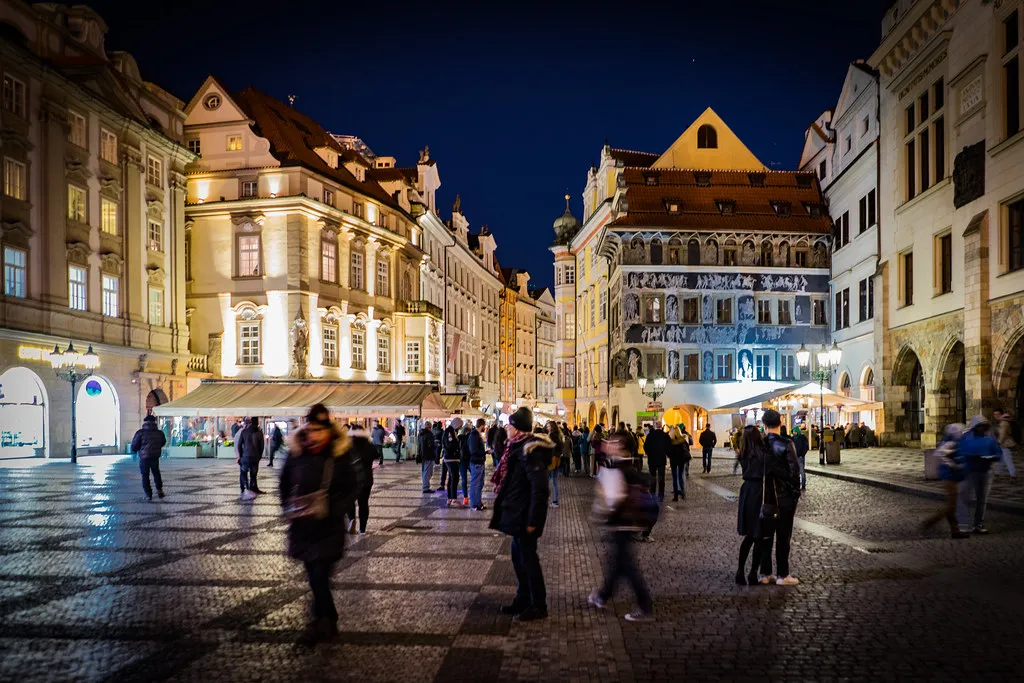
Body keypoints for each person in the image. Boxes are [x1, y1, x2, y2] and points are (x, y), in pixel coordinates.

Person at [280, 405, 362, 646]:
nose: (315, 434)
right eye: (312, 429)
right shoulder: (297, 452)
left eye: (320, 430)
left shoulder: (340, 453)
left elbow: (353, 486)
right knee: (314, 576)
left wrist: (336, 509)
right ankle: (328, 619)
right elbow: (284, 483)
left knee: (319, 574)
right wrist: (287, 506)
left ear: (329, 430)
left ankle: (320, 622)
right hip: (303, 525)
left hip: (329, 527)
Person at [491, 407, 552, 621]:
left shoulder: (529, 451)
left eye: (510, 426)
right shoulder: (516, 448)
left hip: (526, 516)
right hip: (518, 513)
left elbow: (540, 488)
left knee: (528, 560)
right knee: (519, 558)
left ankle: (538, 604)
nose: (507, 429)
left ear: (517, 429)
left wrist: (534, 521)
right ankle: (523, 598)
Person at [588, 432, 654, 622]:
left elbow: (613, 497)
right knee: (618, 564)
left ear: (621, 446)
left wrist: (602, 512)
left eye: (612, 441)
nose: (607, 444)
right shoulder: (622, 464)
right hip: (622, 523)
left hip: (621, 522)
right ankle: (602, 595)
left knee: (627, 566)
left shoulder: (617, 466)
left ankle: (645, 606)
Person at [759, 409, 802, 586]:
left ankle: (765, 573)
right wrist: (795, 494)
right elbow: (794, 472)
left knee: (766, 537)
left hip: (764, 498)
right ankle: (782, 575)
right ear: (781, 423)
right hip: (783, 498)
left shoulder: (760, 444)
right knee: (783, 538)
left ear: (764, 425)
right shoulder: (786, 444)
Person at [736, 425, 771, 585]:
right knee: (759, 535)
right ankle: (752, 572)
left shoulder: (743, 454)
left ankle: (740, 571)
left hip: (747, 491)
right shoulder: (763, 453)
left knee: (750, 535)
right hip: (759, 491)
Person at [955, 415, 1002, 535]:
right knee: (965, 498)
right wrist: (969, 457)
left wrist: (991, 458)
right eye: (980, 426)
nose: (982, 428)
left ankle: (978, 524)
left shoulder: (990, 439)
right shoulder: (966, 438)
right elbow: (960, 451)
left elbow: (998, 453)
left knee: (982, 500)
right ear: (975, 427)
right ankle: (964, 524)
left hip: (986, 472)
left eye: (984, 426)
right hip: (970, 471)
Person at [921, 423, 969, 539]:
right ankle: (930, 522)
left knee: (952, 505)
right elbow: (942, 455)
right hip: (950, 477)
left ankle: (955, 531)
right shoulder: (950, 443)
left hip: (952, 476)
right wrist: (954, 465)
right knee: (951, 506)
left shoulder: (952, 442)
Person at [343, 423, 376, 535]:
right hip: (367, 479)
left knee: (349, 501)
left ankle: (352, 519)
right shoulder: (369, 444)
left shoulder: (348, 445)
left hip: (351, 479)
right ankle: (362, 529)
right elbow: (377, 455)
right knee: (363, 503)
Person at [131, 415, 166, 501]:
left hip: (144, 457)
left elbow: (135, 444)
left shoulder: (140, 432)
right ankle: (159, 489)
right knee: (156, 473)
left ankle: (148, 494)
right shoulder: (159, 433)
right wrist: (157, 448)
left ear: (145, 422)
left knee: (145, 475)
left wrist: (134, 451)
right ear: (154, 422)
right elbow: (163, 442)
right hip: (155, 456)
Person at [235, 416, 265, 500]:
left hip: (245, 456)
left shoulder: (244, 431)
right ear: (257, 423)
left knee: (244, 472)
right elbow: (262, 446)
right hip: (255, 457)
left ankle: (246, 488)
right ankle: (253, 488)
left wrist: (240, 456)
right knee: (253, 474)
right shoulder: (259, 432)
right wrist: (259, 456)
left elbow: (239, 444)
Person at [645, 422, 670, 502]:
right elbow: (668, 446)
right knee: (661, 478)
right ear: (661, 426)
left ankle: (652, 493)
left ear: (655, 427)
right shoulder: (665, 435)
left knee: (653, 476)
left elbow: (646, 446)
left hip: (652, 460)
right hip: (661, 459)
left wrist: (649, 453)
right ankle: (661, 494)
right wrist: (666, 454)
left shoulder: (650, 435)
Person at [442, 418, 464, 505]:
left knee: (452, 478)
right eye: (459, 426)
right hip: (451, 458)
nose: (459, 428)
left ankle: (450, 498)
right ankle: (453, 498)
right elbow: (450, 445)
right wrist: (457, 447)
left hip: (450, 457)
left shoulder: (450, 431)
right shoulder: (450, 432)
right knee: (454, 477)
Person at [468, 418, 488, 510]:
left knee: (480, 484)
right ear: (481, 425)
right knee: (475, 484)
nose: (485, 427)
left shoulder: (477, 435)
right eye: (484, 425)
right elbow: (473, 451)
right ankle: (473, 504)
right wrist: (485, 452)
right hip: (476, 463)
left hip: (480, 462)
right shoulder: (474, 435)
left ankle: (478, 503)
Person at [993, 409, 1018, 477]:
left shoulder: (1003, 422)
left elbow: (1002, 434)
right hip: (1003, 443)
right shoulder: (1001, 421)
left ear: (1001, 414)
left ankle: (1012, 474)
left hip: (1005, 443)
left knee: (1007, 458)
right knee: (1002, 458)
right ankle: (998, 472)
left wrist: (999, 442)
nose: (996, 416)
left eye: (997, 414)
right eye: (995, 414)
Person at [668, 425, 690, 501]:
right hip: (681, 460)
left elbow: (669, 452)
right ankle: (683, 493)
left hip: (673, 461)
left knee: (674, 478)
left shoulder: (671, 441)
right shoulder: (683, 440)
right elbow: (687, 449)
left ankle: (676, 496)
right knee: (680, 476)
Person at [546, 420, 564, 507]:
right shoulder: (559, 435)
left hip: (552, 459)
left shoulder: (552, 436)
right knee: (554, 480)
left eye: (549, 426)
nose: (547, 427)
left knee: (552, 481)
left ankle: (554, 500)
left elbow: (550, 448)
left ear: (552, 427)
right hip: (557, 459)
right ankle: (554, 500)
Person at [418, 421, 436, 493]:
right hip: (428, 455)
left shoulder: (421, 434)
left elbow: (419, 445)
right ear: (430, 427)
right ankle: (425, 488)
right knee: (428, 472)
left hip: (423, 456)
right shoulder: (429, 434)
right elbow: (431, 445)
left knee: (425, 471)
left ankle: (425, 486)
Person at [791, 426, 809, 490]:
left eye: (795, 431)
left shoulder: (802, 438)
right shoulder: (792, 438)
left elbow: (806, 447)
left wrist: (802, 454)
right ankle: (797, 484)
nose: (794, 433)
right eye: (793, 431)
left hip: (800, 457)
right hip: (794, 457)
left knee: (801, 471)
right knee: (796, 471)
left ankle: (803, 484)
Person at [459, 423, 473, 506]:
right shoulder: (470, 437)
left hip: (461, 461)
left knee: (464, 480)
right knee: (474, 478)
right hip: (470, 460)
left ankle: (465, 498)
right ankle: (473, 495)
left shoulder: (459, 438)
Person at [433, 421, 445, 490]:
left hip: (434, 442)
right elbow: (442, 437)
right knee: (438, 453)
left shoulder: (433, 430)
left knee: (435, 453)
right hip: (439, 443)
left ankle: (436, 462)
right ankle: (437, 462)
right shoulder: (441, 431)